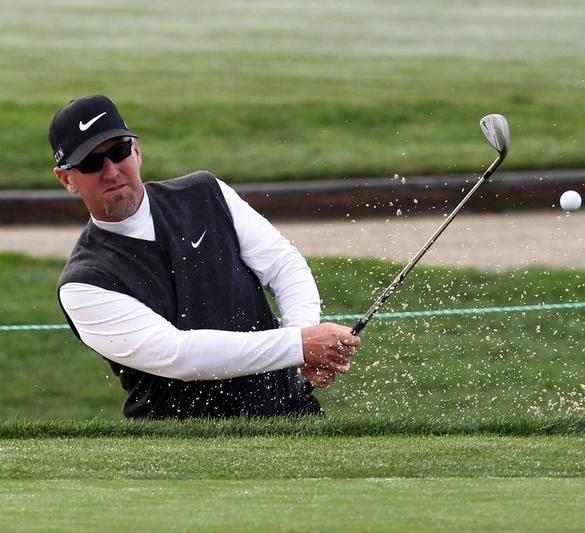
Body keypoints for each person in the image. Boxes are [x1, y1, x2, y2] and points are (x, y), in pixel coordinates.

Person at [49, 94, 360, 420]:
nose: (111, 171)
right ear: (67, 178)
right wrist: (297, 345)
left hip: (290, 413)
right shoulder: (83, 284)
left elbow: (283, 264)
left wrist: (302, 344)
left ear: (136, 152)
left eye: (119, 151)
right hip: (183, 446)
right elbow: (180, 355)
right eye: (91, 163)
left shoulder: (207, 193)